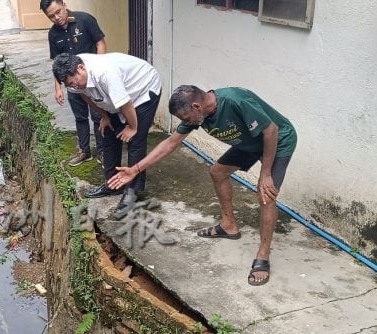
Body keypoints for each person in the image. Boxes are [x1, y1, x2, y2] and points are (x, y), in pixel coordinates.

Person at [108, 85, 297, 286]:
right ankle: (228, 225)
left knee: (265, 194)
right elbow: (170, 144)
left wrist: (265, 173)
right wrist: (136, 169)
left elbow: (271, 130)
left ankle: (263, 254)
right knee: (218, 172)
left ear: (196, 106)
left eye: (186, 118)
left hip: (278, 140)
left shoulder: (235, 101)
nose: (186, 123)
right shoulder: (198, 114)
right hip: (249, 143)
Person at [52, 52, 162, 219]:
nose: (73, 85)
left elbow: (126, 103)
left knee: (135, 141)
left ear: (80, 68)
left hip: (143, 89)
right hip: (118, 95)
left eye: (73, 81)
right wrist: (105, 116)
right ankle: (112, 184)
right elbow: (86, 96)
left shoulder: (105, 73)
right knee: (109, 132)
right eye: (69, 84)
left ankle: (133, 192)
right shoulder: (75, 78)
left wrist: (132, 127)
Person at [40, 0, 107, 166]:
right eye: (51, 16)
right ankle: (84, 151)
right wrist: (57, 88)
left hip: (90, 80)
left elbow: (100, 43)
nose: (57, 17)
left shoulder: (85, 20)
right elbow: (57, 62)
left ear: (64, 4)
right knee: (80, 117)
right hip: (72, 85)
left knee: (98, 115)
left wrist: (98, 69)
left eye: (58, 12)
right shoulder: (53, 35)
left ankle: (102, 151)